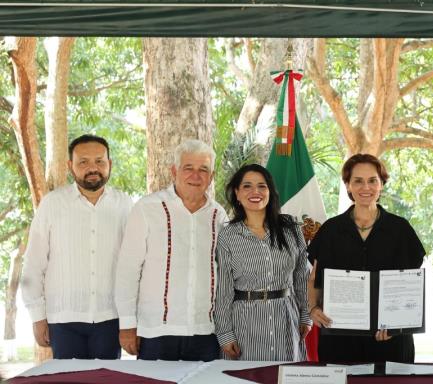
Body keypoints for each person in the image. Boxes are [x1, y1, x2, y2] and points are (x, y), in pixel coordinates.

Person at [21, 134, 133, 359]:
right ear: (70, 166)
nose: (93, 168)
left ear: (109, 164)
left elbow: (133, 265)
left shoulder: (124, 205)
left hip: (110, 319)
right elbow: (33, 265)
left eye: (99, 161)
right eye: (83, 162)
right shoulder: (52, 204)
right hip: (63, 320)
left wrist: (131, 320)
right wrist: (37, 316)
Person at [115, 139, 227, 361]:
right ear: (174, 171)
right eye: (188, 168)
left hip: (206, 332)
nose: (195, 176)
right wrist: (127, 325)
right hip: (156, 331)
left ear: (211, 176)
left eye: (203, 170)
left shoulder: (218, 215)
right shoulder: (147, 208)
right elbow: (128, 270)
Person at [306, 154, 425, 363]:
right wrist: (313, 308)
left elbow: (409, 285)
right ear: (348, 185)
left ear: (381, 185)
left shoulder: (400, 229)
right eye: (358, 181)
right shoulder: (331, 230)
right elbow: (315, 278)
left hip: (390, 340)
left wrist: (398, 324)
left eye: (372, 181)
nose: (365, 187)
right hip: (340, 339)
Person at [214, 164, 312, 361]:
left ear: (270, 192)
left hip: (286, 320)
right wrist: (224, 333)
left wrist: (305, 315)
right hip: (245, 324)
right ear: (237, 194)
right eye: (247, 186)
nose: (255, 192)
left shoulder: (291, 229)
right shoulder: (228, 235)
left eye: (262, 186)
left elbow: (302, 277)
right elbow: (224, 290)